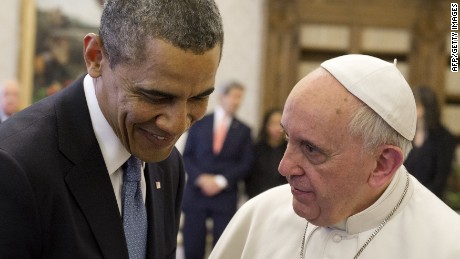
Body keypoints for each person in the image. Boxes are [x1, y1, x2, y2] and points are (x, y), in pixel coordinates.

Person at [0, 0, 223, 258]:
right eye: (156, 96)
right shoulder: (15, 167)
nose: (177, 125)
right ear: (96, 57)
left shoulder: (168, 164)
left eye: (198, 98)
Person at [208, 54, 460, 259]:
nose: (284, 168)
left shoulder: (449, 246)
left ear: (382, 164)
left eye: (311, 149)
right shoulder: (258, 217)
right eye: (288, 138)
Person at [182, 81, 253, 259]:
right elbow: (187, 156)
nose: (237, 102)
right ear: (223, 97)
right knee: (192, 246)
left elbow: (246, 163)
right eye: (234, 96)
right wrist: (200, 179)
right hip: (196, 193)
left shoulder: (244, 130)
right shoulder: (198, 123)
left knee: (223, 247)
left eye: (240, 98)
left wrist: (220, 182)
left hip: (225, 195)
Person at [404, 85, 456, 199]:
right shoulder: (407, 133)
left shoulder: (445, 138)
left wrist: (418, 197)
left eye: (415, 104)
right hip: (404, 198)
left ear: (425, 107)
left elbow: (440, 179)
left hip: (430, 200)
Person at [245, 108, 287, 198]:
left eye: (281, 124)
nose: (278, 128)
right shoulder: (256, 148)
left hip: (283, 198)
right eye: (273, 123)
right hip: (258, 197)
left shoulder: (290, 149)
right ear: (266, 125)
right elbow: (248, 177)